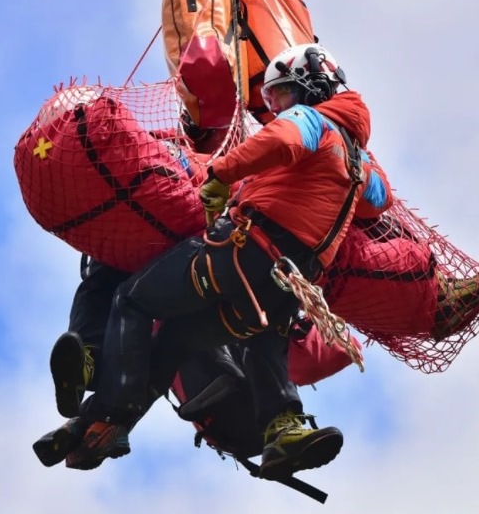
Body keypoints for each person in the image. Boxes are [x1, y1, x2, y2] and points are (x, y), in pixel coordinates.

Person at [63, 43, 392, 480]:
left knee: (132, 299)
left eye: (282, 97)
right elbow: (379, 203)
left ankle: (112, 405)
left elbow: (280, 140)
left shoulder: (310, 120)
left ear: (310, 86)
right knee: (205, 337)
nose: (277, 110)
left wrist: (221, 175)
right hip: (291, 284)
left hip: (246, 252)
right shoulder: (360, 161)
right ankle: (284, 431)